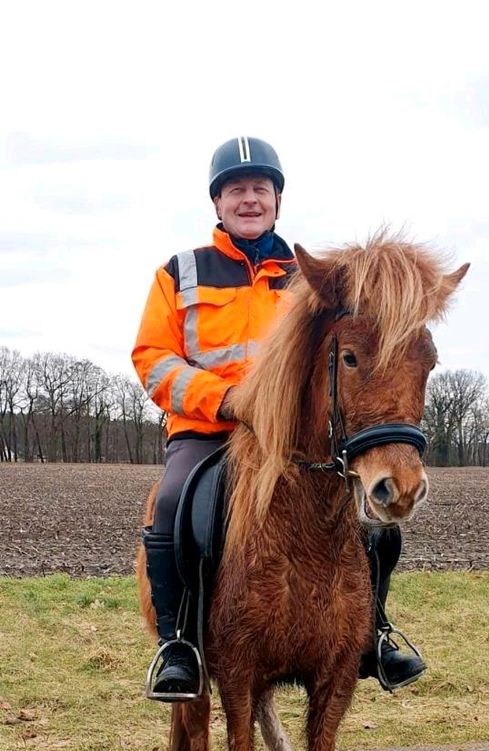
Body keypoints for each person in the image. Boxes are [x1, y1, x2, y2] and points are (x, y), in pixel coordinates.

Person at [132, 136, 425, 701]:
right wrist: (225, 400)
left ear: (277, 201)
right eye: (235, 190)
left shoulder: (313, 277)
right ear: (217, 204)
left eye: (259, 189)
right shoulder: (180, 272)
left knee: (372, 522)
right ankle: (179, 647)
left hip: (295, 441)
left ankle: (374, 633)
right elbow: (153, 358)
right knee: (171, 507)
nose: (248, 199)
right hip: (210, 430)